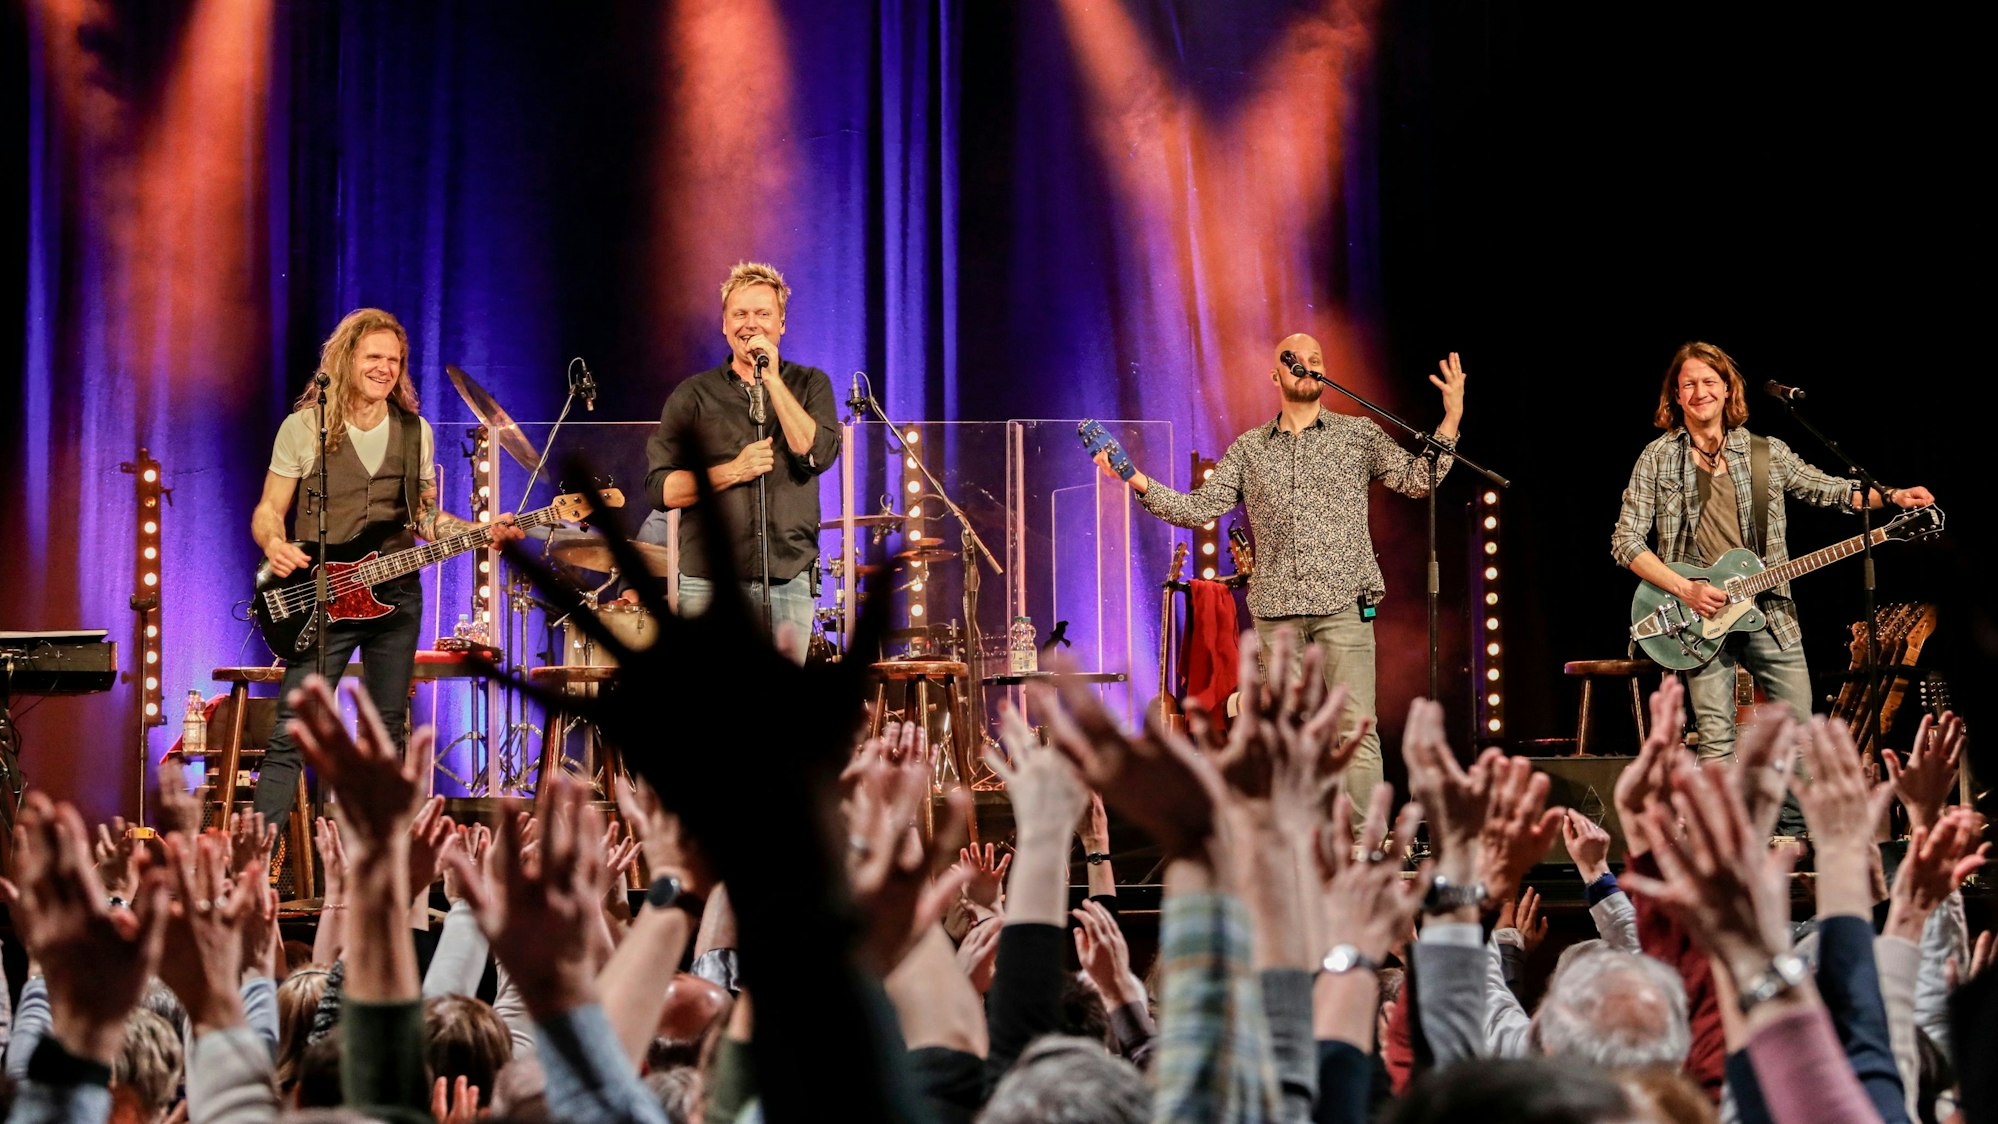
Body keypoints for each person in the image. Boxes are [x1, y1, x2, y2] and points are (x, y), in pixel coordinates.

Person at [1094, 333, 1467, 810]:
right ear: (1276, 375)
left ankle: (1361, 850)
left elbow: (1419, 480)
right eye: (1295, 360)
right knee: (1285, 735)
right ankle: (1297, 848)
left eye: (1315, 359)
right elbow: (1197, 509)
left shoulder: (1359, 435)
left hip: (1345, 606)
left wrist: (1451, 418)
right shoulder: (1250, 450)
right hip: (1279, 615)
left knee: (1355, 730)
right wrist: (1135, 479)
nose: (1305, 365)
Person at [1609, 341, 1933, 829]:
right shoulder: (1657, 458)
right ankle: (1719, 844)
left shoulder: (1765, 453)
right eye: (1689, 383)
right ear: (1676, 395)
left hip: (1770, 610)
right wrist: (1684, 588)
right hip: (1697, 616)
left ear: (1727, 389)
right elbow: (1625, 541)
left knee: (1798, 729)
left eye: (1710, 381)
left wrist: (1889, 496)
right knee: (1716, 735)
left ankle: (1792, 840)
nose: (1700, 391)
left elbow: (1831, 490)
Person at [249, 308, 520, 830]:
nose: (385, 368)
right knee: (293, 730)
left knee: (386, 729)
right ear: (347, 358)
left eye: (394, 360)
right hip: (323, 596)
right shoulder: (305, 426)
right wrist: (274, 542)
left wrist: (477, 531)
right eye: (374, 357)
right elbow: (268, 508)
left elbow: (423, 517)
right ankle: (253, 866)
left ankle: (384, 863)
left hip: (394, 598)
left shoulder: (414, 431)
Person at [643, 262, 840, 661]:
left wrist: (771, 379)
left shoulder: (810, 384)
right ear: (724, 324)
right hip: (707, 585)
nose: (751, 324)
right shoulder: (693, 395)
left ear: (781, 323)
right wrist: (735, 469)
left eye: (763, 313)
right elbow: (661, 489)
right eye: (740, 314)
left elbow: (815, 451)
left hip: (787, 579)